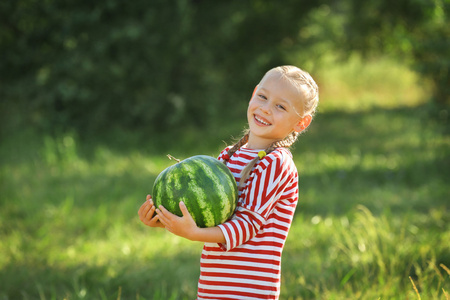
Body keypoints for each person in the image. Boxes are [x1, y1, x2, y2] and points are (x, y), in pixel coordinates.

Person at [138, 65, 319, 299]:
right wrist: (166, 221)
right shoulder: (228, 156)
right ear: (254, 93)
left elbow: (246, 225)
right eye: (263, 97)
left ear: (301, 123)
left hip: (249, 289)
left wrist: (192, 234)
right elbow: (208, 216)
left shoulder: (276, 163)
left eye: (280, 106)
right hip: (214, 286)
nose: (265, 109)